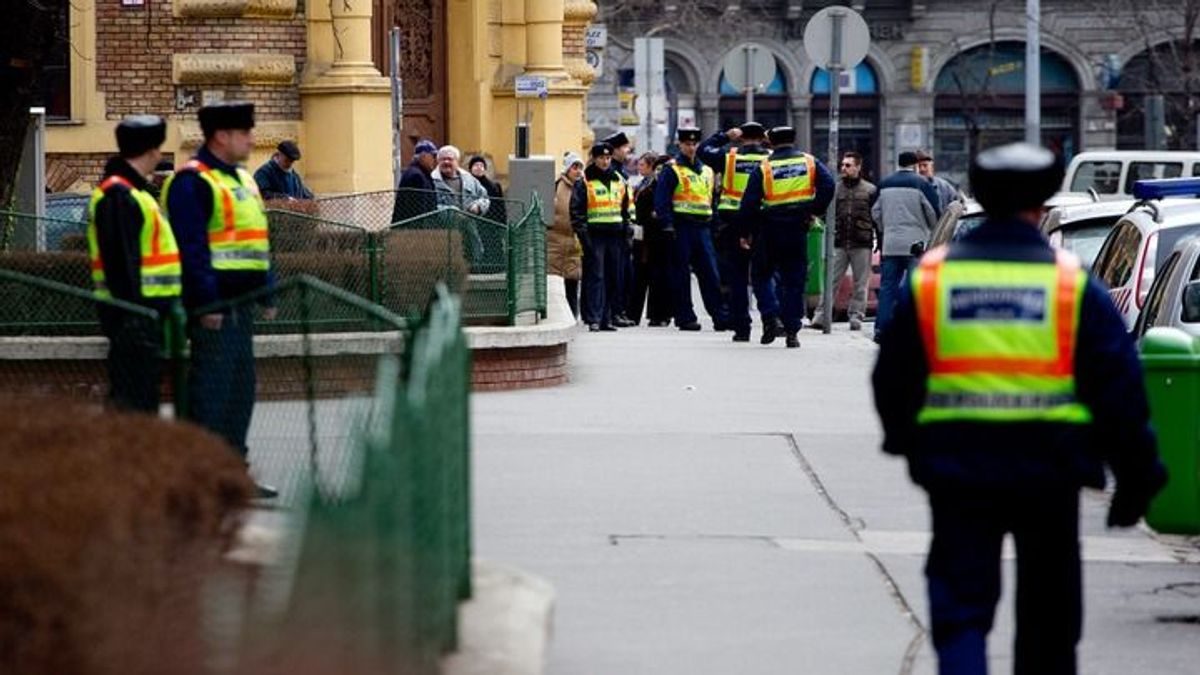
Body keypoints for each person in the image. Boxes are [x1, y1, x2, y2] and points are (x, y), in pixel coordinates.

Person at [872, 142, 1167, 675]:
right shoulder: (1071, 285)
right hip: (1048, 473)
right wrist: (1138, 479)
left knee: (961, 607)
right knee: (1049, 616)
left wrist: (907, 442)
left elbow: (894, 375)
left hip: (959, 470)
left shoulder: (935, 279)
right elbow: (1119, 391)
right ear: (1044, 209)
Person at [162, 101, 278, 499]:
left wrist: (267, 287)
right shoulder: (192, 182)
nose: (250, 139)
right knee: (211, 393)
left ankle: (233, 473)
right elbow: (191, 250)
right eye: (244, 133)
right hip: (215, 311)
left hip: (241, 307)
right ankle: (204, 478)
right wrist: (207, 303)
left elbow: (258, 238)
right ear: (221, 137)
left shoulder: (243, 180)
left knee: (239, 392)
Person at [87, 115, 181, 413]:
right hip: (134, 317)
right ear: (152, 151)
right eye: (159, 149)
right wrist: (136, 314)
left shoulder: (130, 193)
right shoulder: (120, 195)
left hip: (139, 316)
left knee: (137, 400)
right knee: (134, 403)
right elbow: (121, 266)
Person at [738, 126, 835, 348]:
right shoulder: (809, 162)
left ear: (771, 143)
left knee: (762, 275)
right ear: (794, 140)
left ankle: (770, 316)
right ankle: (792, 332)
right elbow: (828, 185)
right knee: (794, 279)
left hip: (769, 227)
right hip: (797, 227)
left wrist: (746, 233)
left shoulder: (765, 166)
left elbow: (749, 202)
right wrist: (812, 210)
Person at [699, 122, 780, 343]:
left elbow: (702, 151)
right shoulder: (771, 158)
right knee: (764, 274)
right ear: (762, 136)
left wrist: (725, 136)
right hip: (763, 221)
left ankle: (742, 328)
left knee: (737, 278)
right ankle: (771, 317)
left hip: (733, 222)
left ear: (741, 136)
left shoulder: (729, 158)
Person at [654, 127, 730, 332]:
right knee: (680, 275)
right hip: (681, 227)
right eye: (687, 144)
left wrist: (715, 226)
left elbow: (710, 200)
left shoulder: (707, 171)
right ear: (680, 144)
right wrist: (667, 225)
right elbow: (662, 201)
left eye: (694, 143)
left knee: (711, 275)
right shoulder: (672, 169)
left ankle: (720, 317)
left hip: (703, 228)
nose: (691, 147)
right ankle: (685, 317)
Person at [872, 150, 941, 343]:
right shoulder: (922, 184)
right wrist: (928, 229)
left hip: (890, 244)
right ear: (916, 165)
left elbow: (875, 212)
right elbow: (934, 213)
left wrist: (887, 227)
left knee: (887, 289)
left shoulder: (884, 184)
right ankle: (912, 330)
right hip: (915, 245)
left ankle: (881, 329)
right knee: (914, 289)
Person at [812, 150, 877, 332]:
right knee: (830, 281)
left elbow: (876, 217)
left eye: (848, 165)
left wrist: (878, 239)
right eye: (842, 165)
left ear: (858, 167)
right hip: (839, 241)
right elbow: (825, 212)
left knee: (860, 284)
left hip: (861, 241)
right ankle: (821, 316)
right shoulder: (835, 188)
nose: (844, 168)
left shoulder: (870, 190)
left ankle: (856, 316)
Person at [571, 143, 631, 332]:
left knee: (613, 277)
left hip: (615, 235)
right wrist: (584, 237)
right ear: (594, 159)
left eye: (608, 158)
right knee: (595, 278)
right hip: (594, 236)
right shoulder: (585, 181)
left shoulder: (619, 180)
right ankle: (593, 318)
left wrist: (626, 231)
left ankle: (607, 318)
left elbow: (625, 208)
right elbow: (577, 212)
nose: (605, 162)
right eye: (601, 158)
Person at [629, 152, 674, 326]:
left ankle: (659, 315)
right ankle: (633, 314)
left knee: (657, 276)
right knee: (640, 275)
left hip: (655, 235)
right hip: (643, 233)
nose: (639, 167)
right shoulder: (643, 184)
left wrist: (651, 218)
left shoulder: (656, 185)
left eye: (642, 165)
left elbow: (657, 210)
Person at [603, 131, 637, 327]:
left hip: (622, 228)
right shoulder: (614, 172)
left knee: (623, 273)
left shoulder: (620, 171)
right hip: (614, 228)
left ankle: (619, 311)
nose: (628, 151)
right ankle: (615, 312)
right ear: (615, 150)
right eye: (624, 148)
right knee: (616, 274)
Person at [551, 152, 585, 318]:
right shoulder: (556, 185)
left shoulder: (584, 186)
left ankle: (572, 316)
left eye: (580, 167)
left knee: (573, 280)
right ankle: (558, 316)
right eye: (574, 167)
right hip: (554, 241)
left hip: (574, 241)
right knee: (555, 283)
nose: (578, 171)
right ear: (567, 169)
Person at [391, 139, 439, 223]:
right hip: (414, 229)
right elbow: (419, 209)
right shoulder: (417, 176)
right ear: (424, 156)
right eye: (433, 156)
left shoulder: (420, 173)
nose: (435, 160)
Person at [467, 155, 508, 224]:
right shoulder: (467, 185)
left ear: (485, 169)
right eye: (476, 165)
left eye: (481, 166)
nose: (479, 167)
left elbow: (501, 207)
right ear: (471, 169)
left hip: (491, 222)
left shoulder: (494, 186)